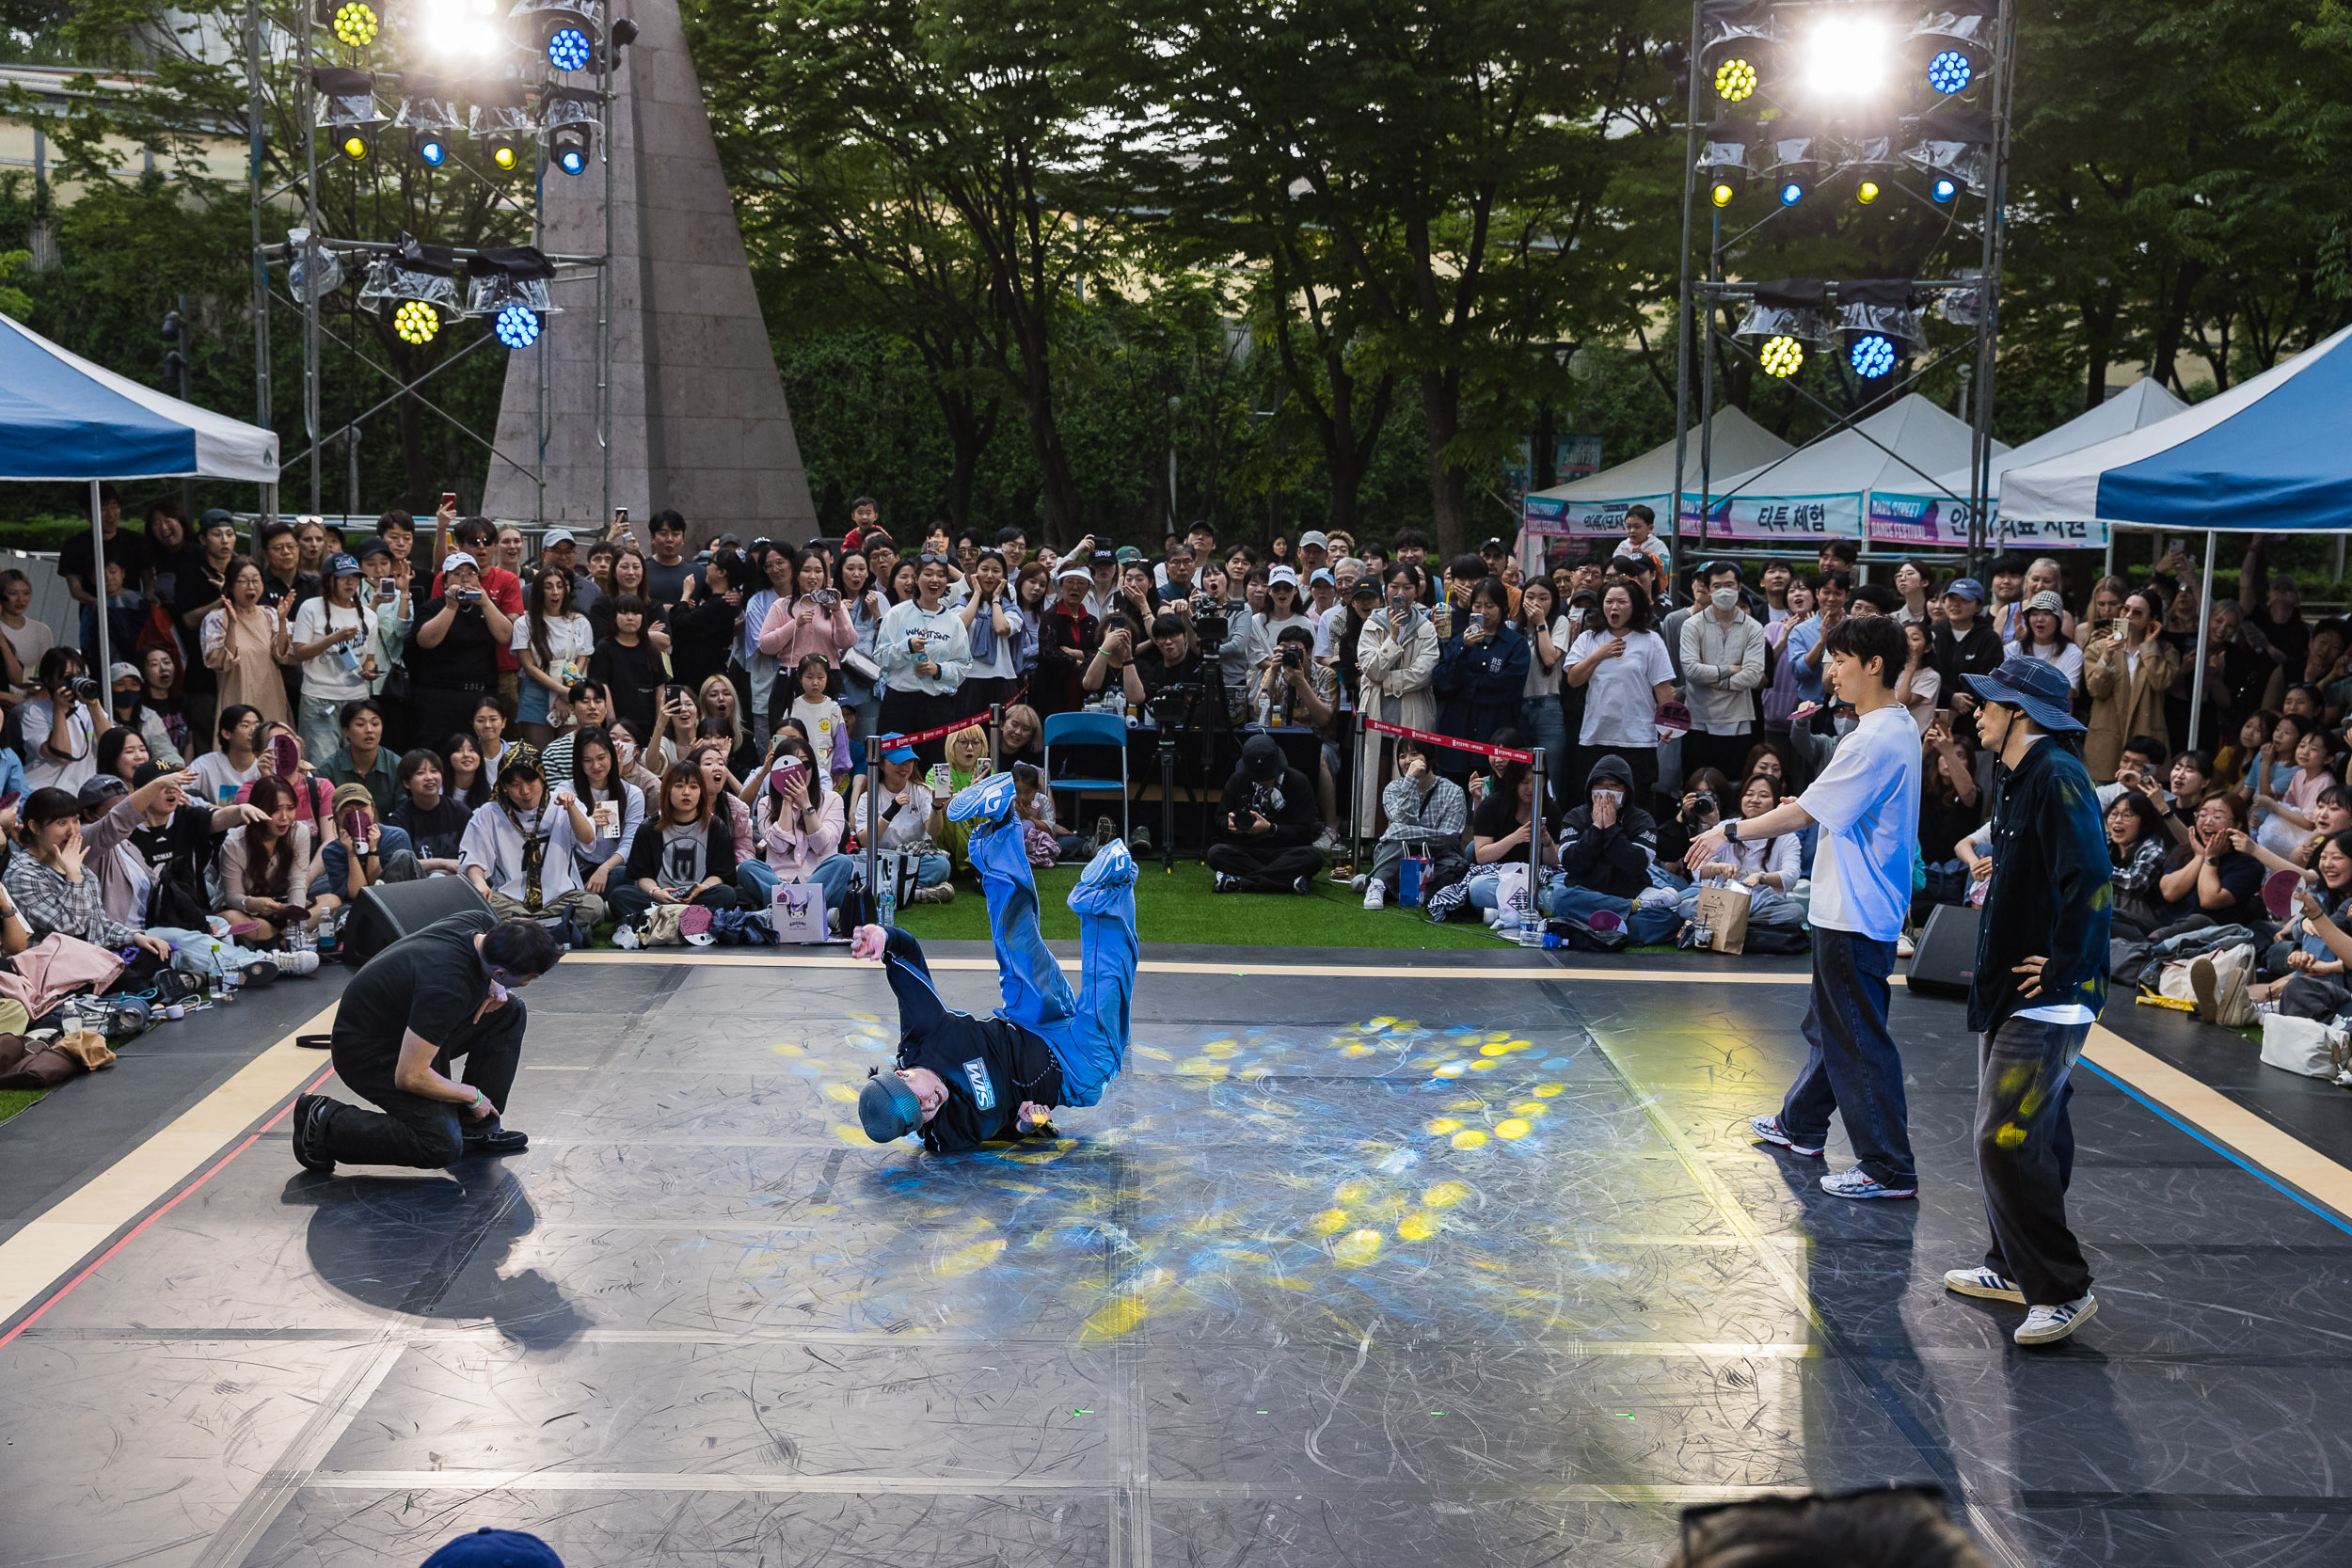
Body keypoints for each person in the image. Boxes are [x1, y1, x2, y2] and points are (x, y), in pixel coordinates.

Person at [1686, 614, 1923, 1201]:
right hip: (1854, 907)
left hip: (1854, 912)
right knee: (1832, 1028)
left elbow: (1802, 815)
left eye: (1842, 660)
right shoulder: (1892, 728)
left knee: (1858, 1041)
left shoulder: (1871, 739)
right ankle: (1801, 1123)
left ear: (1875, 665)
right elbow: (1830, 807)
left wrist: (1731, 830)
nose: (1830, 670)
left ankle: (1889, 1166)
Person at [1942, 656, 2110, 1347]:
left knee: (2003, 1137)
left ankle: (2062, 1288)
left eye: (1989, 702)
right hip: (2017, 987)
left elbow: (2093, 875)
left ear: (2022, 714)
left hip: (2049, 996)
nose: (1976, 711)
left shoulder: (2057, 773)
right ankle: (2012, 1265)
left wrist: (2068, 965)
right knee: (2034, 1133)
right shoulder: (2017, 775)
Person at [855, 776, 1138, 1151]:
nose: (928, 1106)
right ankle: (1105, 892)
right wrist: (1025, 1124)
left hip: (1025, 1019)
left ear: (902, 1074)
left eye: (917, 1099)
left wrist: (884, 937)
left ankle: (999, 824)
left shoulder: (925, 1035)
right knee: (1104, 1050)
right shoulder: (946, 1134)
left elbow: (906, 958)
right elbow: (1003, 1129)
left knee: (1016, 943)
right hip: (1069, 1069)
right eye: (918, 1118)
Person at [291, 912, 559, 1174]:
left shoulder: (479, 924)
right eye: (531, 977)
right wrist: (471, 1095)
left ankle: (477, 1130)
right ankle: (323, 1121)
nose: (531, 982)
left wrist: (495, 984)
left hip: (407, 1027)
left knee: (508, 1010)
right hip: (369, 1054)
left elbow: (489, 966)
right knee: (439, 1145)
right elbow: (410, 1076)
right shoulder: (448, 989)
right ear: (500, 972)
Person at [459, 754, 605, 933]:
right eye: (515, 785)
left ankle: (524, 930)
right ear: (504, 787)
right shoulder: (488, 813)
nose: (525, 791)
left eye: (530, 782)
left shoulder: (560, 803)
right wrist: (479, 882)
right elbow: (474, 858)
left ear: (542, 778)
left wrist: (571, 809)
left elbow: (588, 838)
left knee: (593, 905)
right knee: (482, 906)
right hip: (510, 900)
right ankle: (556, 928)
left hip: (560, 898)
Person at [1565, 578, 1676, 810]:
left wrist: (1669, 724)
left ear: (1634, 605)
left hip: (1637, 738)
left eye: (1621, 602)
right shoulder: (1589, 639)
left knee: (1637, 803)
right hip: (1596, 735)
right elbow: (1574, 679)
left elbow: (1663, 688)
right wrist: (1598, 655)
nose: (1614, 607)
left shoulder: (1650, 640)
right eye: (1609, 602)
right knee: (1595, 803)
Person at [1550, 752, 1678, 942]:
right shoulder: (1575, 817)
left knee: (1668, 920)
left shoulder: (1641, 820)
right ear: (1590, 788)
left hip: (1630, 891)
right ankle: (1624, 916)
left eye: (1614, 785)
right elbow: (1573, 864)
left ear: (1626, 790)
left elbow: (1636, 864)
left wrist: (1611, 829)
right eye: (1600, 784)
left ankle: (1592, 927)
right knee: (1561, 900)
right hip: (1586, 895)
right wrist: (1595, 828)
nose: (1606, 791)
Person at [736, 729, 857, 917]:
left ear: (814, 768)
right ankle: (812, 912)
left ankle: (781, 911)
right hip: (780, 881)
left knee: (842, 862)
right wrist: (787, 801)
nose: (798, 772)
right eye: (790, 765)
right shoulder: (765, 803)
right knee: (747, 868)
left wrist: (806, 805)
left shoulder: (832, 799)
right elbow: (780, 846)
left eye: (805, 764)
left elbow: (822, 845)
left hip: (819, 880)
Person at [612, 760, 742, 930]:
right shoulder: (648, 827)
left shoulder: (716, 827)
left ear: (702, 792)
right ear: (667, 790)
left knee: (726, 894)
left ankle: (662, 921)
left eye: (694, 787)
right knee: (619, 896)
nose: (686, 793)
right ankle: (692, 921)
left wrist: (702, 888)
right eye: (679, 786)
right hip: (660, 899)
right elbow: (642, 875)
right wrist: (656, 893)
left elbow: (720, 874)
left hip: (697, 897)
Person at [1678, 771, 1804, 935]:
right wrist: (1718, 868)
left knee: (1796, 912)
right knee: (1685, 906)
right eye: (1749, 794)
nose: (1754, 800)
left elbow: (1792, 875)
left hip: (1763, 901)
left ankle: (1725, 924)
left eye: (1764, 795)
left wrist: (1762, 877)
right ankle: (1749, 928)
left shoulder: (1787, 836)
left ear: (1776, 800)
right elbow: (1698, 868)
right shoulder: (1726, 827)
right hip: (1722, 898)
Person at [407, 551, 514, 746]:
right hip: (440, 697)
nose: (465, 578)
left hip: (480, 696)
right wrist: (451, 606)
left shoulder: (487, 608)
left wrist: (486, 602)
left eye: (471, 574)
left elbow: (505, 636)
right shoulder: (432, 607)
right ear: (445, 581)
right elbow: (426, 640)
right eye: (457, 573)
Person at [1679, 561, 1768, 784]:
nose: (1724, 591)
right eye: (1717, 586)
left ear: (1739, 587)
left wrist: (1719, 682)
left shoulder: (1754, 627)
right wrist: (1729, 670)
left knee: (1734, 786)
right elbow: (1691, 670)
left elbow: (1754, 674)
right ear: (1708, 589)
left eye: (1729, 584)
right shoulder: (1692, 625)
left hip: (1739, 720)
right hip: (1698, 719)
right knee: (1696, 785)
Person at [876, 552, 972, 757]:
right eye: (928, 574)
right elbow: (880, 657)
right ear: (917, 578)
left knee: (935, 767)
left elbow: (964, 665)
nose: (934, 580)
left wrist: (938, 670)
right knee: (893, 764)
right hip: (899, 703)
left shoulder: (954, 622)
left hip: (937, 706)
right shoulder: (897, 614)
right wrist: (907, 647)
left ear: (946, 581)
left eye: (940, 575)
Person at [1207, 732, 1324, 894]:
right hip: (1248, 850)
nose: (1263, 781)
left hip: (1286, 850)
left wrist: (1271, 829)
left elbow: (1305, 832)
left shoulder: (1298, 782)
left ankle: (1243, 882)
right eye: (1257, 777)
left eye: (1268, 776)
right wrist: (1229, 824)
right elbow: (1219, 818)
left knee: (1313, 857)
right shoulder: (1238, 780)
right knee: (1216, 853)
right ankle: (1284, 881)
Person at [1360, 737, 1468, 910]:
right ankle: (1377, 885)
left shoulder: (1453, 791)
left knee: (1396, 836)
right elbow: (1401, 820)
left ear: (1429, 758)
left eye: (1415, 754)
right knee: (1397, 842)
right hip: (1401, 854)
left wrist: (1398, 832)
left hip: (1440, 856)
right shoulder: (1393, 789)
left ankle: (1372, 879)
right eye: (1402, 756)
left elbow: (1448, 836)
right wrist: (1410, 781)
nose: (1408, 761)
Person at [2082, 586, 2177, 781]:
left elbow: (2161, 683)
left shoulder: (2166, 650)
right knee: (2102, 799)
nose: (2128, 616)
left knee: (2143, 797)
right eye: (2125, 609)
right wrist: (2107, 657)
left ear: (2153, 619)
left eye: (2137, 613)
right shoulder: (2097, 648)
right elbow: (2096, 690)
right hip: (2107, 741)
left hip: (2146, 737)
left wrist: (2149, 647)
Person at [847, 735, 953, 901]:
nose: (904, 767)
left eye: (909, 761)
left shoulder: (921, 790)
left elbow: (934, 831)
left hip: (913, 859)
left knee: (940, 865)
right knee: (852, 864)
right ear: (881, 764)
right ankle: (914, 893)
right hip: (881, 858)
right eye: (896, 761)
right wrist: (892, 810)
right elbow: (865, 840)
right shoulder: (869, 796)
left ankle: (889, 890)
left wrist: (937, 806)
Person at [513, 562, 595, 748]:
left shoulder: (580, 622)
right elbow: (529, 666)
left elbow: (582, 659)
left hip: (571, 690)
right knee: (539, 757)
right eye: (548, 587)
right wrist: (561, 691)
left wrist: (566, 693)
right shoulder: (524, 623)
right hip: (537, 693)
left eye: (559, 586)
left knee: (569, 756)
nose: (555, 592)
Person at [22, 647, 110, 792]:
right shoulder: (35, 712)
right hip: (46, 792)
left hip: (83, 792)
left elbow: (110, 747)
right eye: (67, 677)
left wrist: (94, 705)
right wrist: (58, 710)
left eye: (79, 675)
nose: (75, 681)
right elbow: (62, 755)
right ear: (49, 680)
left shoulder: (87, 708)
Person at [389, 747, 470, 870]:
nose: (429, 777)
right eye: (420, 773)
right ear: (406, 782)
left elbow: (474, 858)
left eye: (434, 771)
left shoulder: (460, 812)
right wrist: (442, 863)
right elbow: (402, 865)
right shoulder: (400, 820)